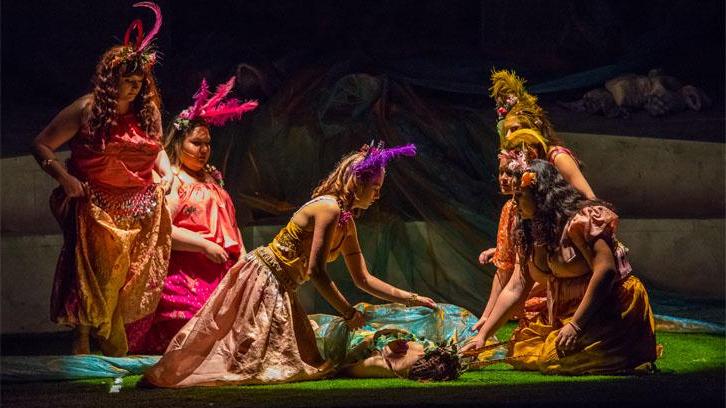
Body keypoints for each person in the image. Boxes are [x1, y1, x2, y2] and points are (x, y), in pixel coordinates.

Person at [142, 143, 437, 387]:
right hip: (264, 278)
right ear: (356, 182)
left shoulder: (347, 224)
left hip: (283, 286)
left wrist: (412, 299)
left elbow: (364, 278)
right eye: (374, 187)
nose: (377, 195)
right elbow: (316, 271)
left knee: (303, 361)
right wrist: (347, 312)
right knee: (252, 363)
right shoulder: (329, 208)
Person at [30, 2, 172, 356]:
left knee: (126, 279)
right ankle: (80, 342)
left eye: (137, 83)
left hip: (139, 206)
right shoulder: (87, 109)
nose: (132, 90)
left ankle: (112, 345)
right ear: (111, 80)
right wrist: (63, 177)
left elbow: (157, 149)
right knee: (89, 275)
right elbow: (42, 144)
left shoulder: (148, 111)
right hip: (93, 204)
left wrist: (167, 173)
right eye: (126, 83)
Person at [463, 156, 658, 375]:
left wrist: (576, 324)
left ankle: (626, 354)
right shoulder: (527, 229)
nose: (514, 202)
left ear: (540, 195)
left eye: (520, 195)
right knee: (520, 351)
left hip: (607, 304)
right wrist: (483, 336)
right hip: (563, 310)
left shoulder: (580, 220)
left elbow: (606, 272)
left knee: (551, 360)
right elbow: (516, 286)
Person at [125, 78, 258, 354]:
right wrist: (205, 245)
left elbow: (230, 225)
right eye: (196, 143)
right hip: (187, 273)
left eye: (207, 143)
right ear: (178, 142)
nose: (203, 149)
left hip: (225, 269)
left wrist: (244, 256)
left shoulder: (213, 177)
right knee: (196, 333)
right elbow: (163, 230)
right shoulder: (172, 179)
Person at [475, 70, 597, 331]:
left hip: (573, 242)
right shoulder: (524, 165)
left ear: (536, 127)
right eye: (507, 131)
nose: (511, 136)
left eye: (517, 129)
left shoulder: (556, 158)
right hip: (544, 242)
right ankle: (487, 320)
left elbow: (590, 202)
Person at [310, 302, 479, 381]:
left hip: (359, 344)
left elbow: (343, 369)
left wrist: (377, 342)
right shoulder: (425, 350)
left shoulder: (388, 366)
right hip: (369, 337)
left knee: (314, 333)